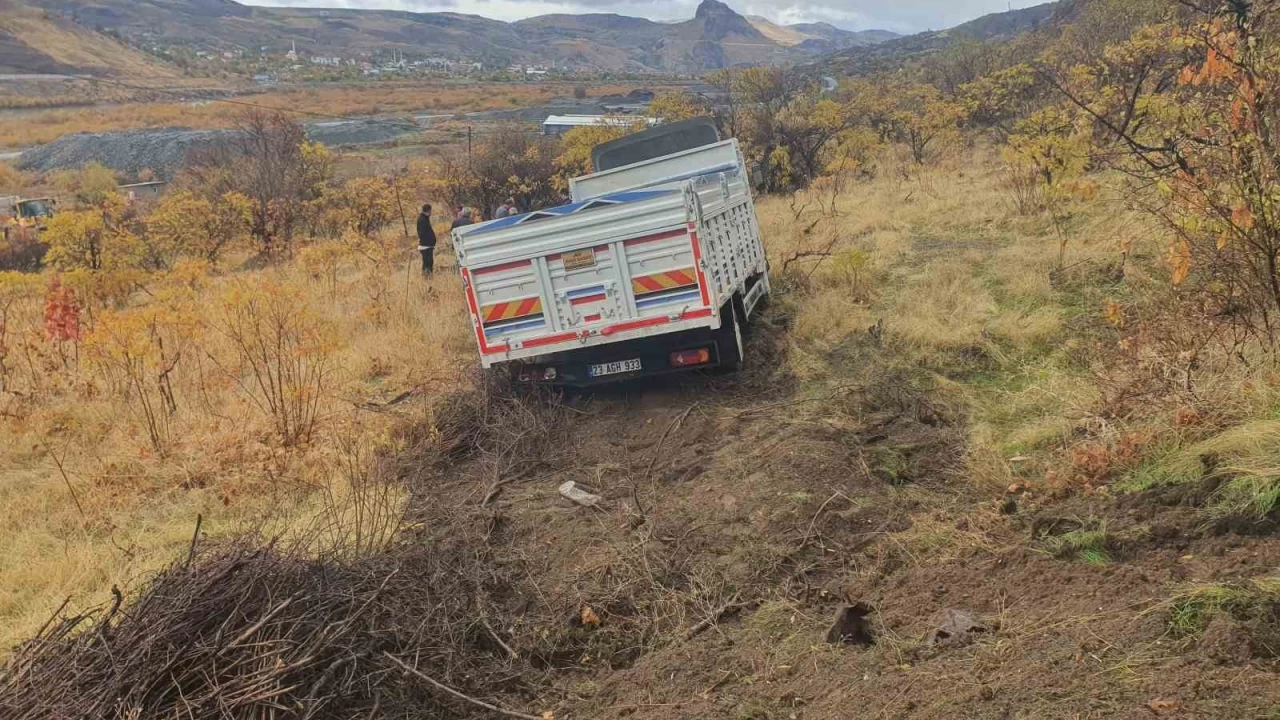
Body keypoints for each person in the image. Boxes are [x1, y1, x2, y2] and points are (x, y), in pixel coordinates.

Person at [416, 203, 437, 275]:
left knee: (428, 262)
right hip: (425, 246)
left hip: (427, 245)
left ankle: (427, 277)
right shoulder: (422, 220)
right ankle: (427, 278)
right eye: (431, 211)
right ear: (429, 210)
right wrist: (429, 242)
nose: (431, 212)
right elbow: (423, 233)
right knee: (427, 263)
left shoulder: (424, 218)